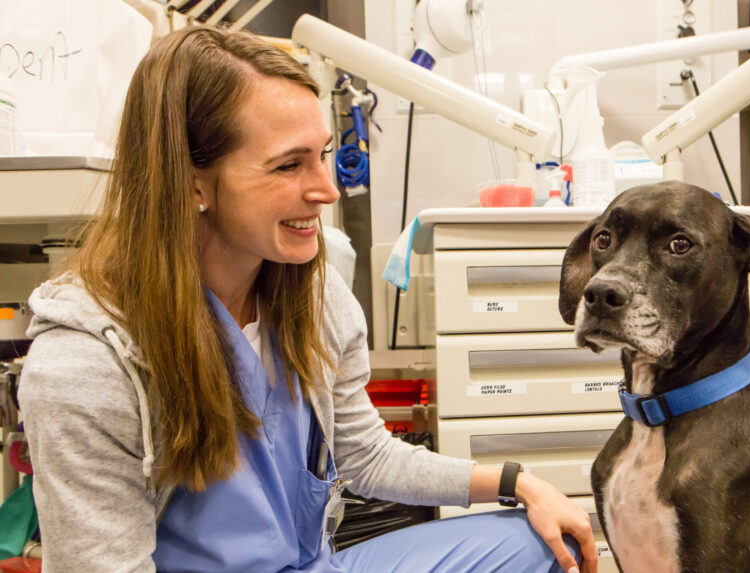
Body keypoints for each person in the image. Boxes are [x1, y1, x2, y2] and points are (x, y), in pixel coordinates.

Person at [18, 25, 597, 573]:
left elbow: (364, 455)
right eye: (289, 165)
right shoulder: (86, 366)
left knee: (548, 543)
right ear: (192, 182)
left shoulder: (313, 298)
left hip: (316, 563)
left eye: (321, 155)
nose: (326, 188)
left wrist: (515, 481)